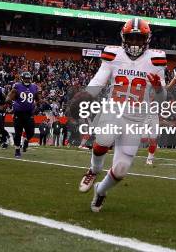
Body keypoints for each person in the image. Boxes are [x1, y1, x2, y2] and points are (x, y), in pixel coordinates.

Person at [72, 18, 167, 212]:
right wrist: (86, 95)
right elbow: (99, 79)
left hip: (136, 117)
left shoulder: (156, 60)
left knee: (121, 169)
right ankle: (94, 170)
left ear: (146, 40)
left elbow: (161, 99)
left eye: (138, 39)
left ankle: (100, 190)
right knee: (104, 140)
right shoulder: (112, 55)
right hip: (113, 108)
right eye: (131, 39)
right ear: (123, 38)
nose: (134, 43)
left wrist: (158, 88)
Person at [146, 66, 176, 165]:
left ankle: (150, 158)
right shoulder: (146, 86)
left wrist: (175, 78)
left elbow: (168, 87)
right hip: (142, 113)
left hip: (153, 115)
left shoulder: (159, 88)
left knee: (153, 137)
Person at [6, 71, 39, 158]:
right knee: (18, 133)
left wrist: (35, 105)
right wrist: (13, 103)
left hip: (29, 114)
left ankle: (26, 141)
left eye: (28, 78)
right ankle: (17, 150)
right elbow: (8, 98)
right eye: (25, 78)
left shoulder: (34, 87)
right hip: (18, 114)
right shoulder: (17, 86)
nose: (27, 80)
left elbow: (37, 99)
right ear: (22, 78)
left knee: (31, 132)